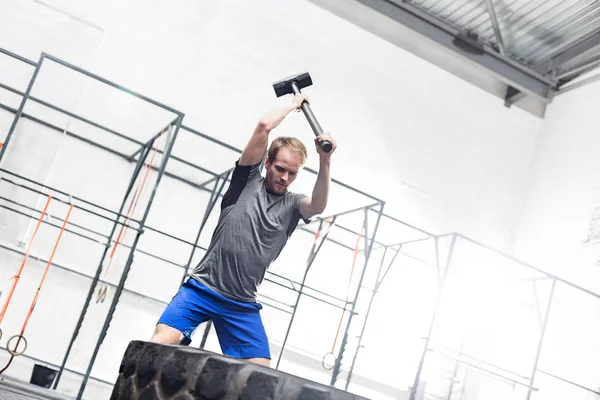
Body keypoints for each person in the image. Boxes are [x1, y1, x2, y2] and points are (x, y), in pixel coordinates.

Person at [150, 93, 337, 367]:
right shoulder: (246, 181)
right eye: (280, 168)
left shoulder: (293, 205)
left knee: (260, 371)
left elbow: (318, 206)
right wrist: (294, 105)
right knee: (161, 340)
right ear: (267, 163)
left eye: (292, 173)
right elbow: (263, 126)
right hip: (202, 288)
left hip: (241, 302)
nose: (284, 177)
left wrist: (325, 160)